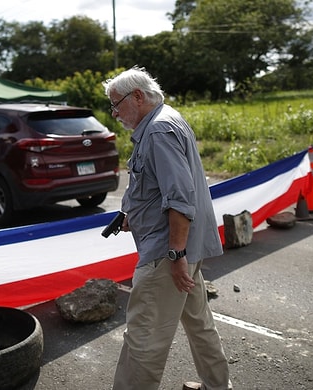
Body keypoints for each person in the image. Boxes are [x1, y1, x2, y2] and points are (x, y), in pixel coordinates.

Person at [104, 67, 232, 390]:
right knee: (200, 323)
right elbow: (161, 187)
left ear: (137, 96)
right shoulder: (164, 120)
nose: (114, 113)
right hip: (183, 250)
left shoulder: (158, 131)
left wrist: (175, 253)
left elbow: (179, 198)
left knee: (143, 338)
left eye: (116, 104)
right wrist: (133, 212)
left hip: (168, 254)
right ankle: (218, 385)